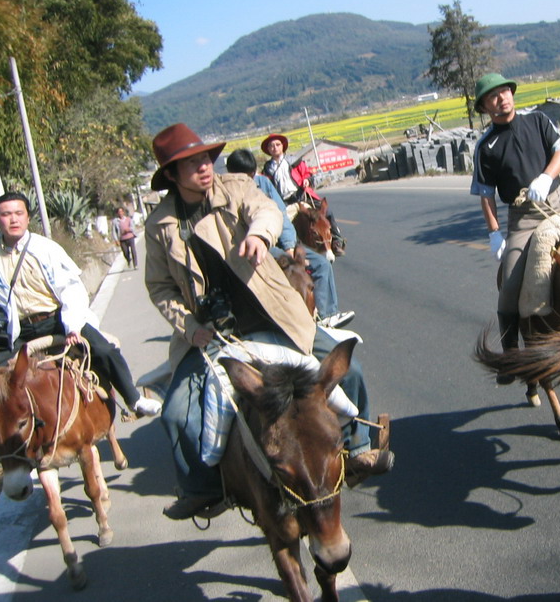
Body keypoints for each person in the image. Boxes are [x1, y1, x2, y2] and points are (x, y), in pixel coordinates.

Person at [144, 123, 393, 520]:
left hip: (273, 313)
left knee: (350, 368)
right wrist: (191, 328)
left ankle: (359, 449)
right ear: (171, 176)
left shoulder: (236, 187)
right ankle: (204, 489)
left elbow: (266, 211)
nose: (204, 168)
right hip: (212, 332)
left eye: (205, 158)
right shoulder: (159, 225)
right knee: (176, 413)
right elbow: (160, 288)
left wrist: (260, 235)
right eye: (190, 164)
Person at [0, 192, 159, 417]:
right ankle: (5, 438)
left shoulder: (46, 249)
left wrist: (73, 326)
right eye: (6, 214)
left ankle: (133, 399)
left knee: (104, 350)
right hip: (18, 330)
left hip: (56, 320)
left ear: (27, 217)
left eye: (18, 213)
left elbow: (71, 289)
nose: (13, 219)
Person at [470, 73, 560, 383]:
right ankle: (509, 357)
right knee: (509, 285)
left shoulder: (538, 120)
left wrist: (546, 177)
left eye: (504, 91)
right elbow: (485, 195)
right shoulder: (485, 147)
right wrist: (494, 232)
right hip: (524, 217)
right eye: (492, 96)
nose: (501, 98)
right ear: (484, 106)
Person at [225, 148, 354, 328]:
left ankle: (327, 315)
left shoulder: (265, 181)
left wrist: (290, 246)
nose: (249, 179)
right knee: (294, 271)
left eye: (251, 174)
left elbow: (281, 214)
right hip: (258, 245)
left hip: (293, 208)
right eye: (244, 175)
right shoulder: (227, 192)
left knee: (322, 258)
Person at [260, 133, 347, 256]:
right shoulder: (267, 169)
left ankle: (337, 241)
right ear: (268, 149)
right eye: (271, 146)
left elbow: (307, 173)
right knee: (281, 225)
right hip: (285, 202)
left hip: (302, 196)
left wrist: (307, 180)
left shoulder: (294, 161)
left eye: (277, 144)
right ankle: (286, 251)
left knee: (327, 212)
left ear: (282, 146)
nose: (275, 147)